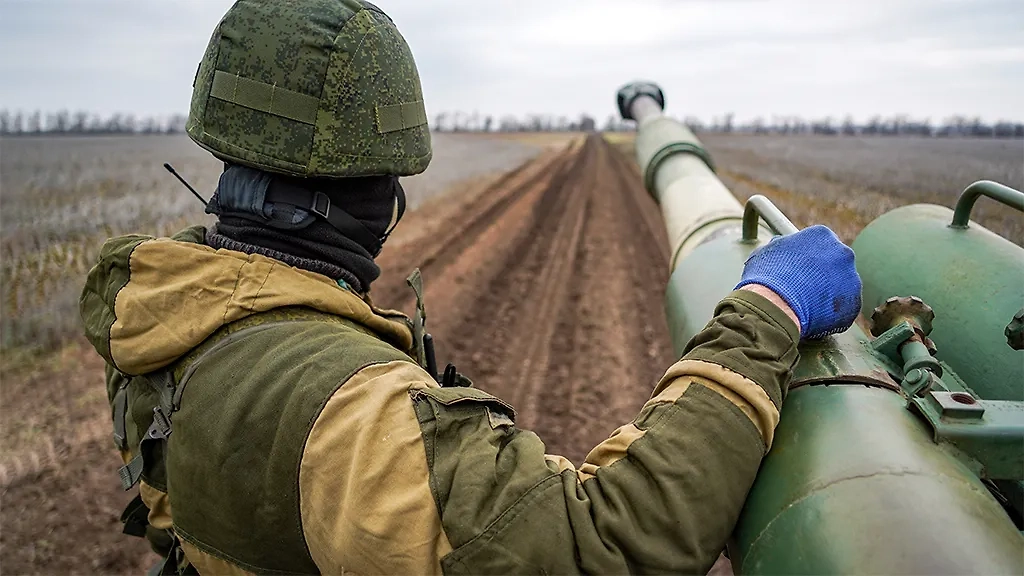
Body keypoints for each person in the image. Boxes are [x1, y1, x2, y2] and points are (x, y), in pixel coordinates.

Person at [80, 0, 862, 574]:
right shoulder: (354, 417)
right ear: (378, 196)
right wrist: (767, 309)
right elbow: (608, 546)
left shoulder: (161, 311)